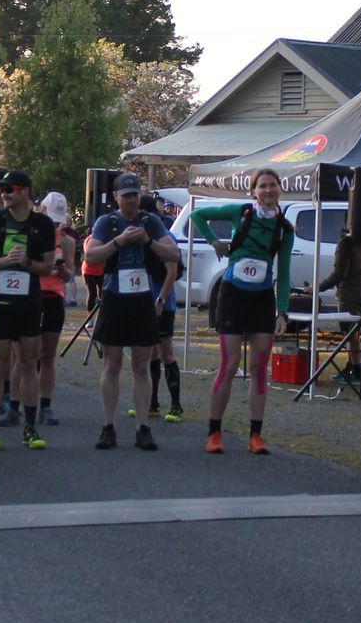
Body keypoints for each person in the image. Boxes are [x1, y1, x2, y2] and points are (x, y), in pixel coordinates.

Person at [191, 168, 295, 456]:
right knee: (230, 363)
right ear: (253, 191)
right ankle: (214, 432)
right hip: (233, 294)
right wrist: (213, 240)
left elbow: (284, 274)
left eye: (273, 185)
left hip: (262, 297)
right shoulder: (242, 212)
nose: (268, 190)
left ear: (279, 190)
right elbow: (197, 216)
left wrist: (282, 312)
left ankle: (256, 436)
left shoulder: (285, 230)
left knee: (260, 368)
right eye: (262, 186)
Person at [85, 174, 178, 450]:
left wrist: (149, 241)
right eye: (126, 195)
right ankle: (108, 425)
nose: (131, 199)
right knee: (112, 363)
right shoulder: (107, 222)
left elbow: (173, 255)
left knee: (142, 364)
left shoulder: (150, 220)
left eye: (135, 194)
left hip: (142, 299)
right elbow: (90, 256)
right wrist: (119, 241)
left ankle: (142, 427)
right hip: (114, 297)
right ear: (116, 196)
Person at [0, 169, 58, 451]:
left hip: (29, 303)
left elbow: (47, 267)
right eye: (0, 189)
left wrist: (25, 263)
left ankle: (30, 427)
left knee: (29, 363)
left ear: (24, 191)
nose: (3, 194)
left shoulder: (43, 224)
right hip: (0, 302)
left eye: (9, 189)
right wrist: (2, 262)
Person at [140, 192, 185, 425]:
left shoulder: (164, 236)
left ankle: (176, 405)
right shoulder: (139, 236)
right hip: (144, 300)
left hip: (162, 304)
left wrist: (161, 299)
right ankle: (152, 403)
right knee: (150, 353)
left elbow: (172, 271)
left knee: (166, 352)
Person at [34, 191, 77, 425]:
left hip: (54, 297)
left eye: (58, 221)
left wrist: (61, 270)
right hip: (32, 296)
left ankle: (46, 405)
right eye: (51, 220)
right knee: (26, 355)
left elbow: (69, 274)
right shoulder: (32, 233)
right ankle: (16, 402)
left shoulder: (67, 241)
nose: (55, 225)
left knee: (48, 355)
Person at [317, 217, 361, 383]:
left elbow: (339, 274)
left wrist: (317, 288)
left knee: (351, 335)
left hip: (349, 293)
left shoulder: (346, 244)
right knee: (353, 333)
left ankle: (356, 371)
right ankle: (350, 368)